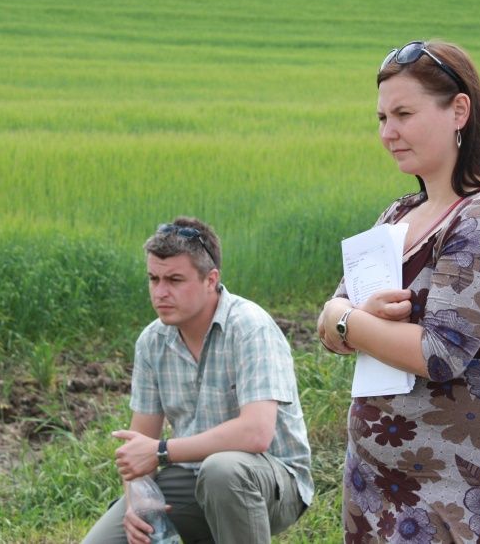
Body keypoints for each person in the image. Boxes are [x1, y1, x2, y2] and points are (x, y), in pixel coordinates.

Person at [317, 40, 480, 543]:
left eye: (403, 114)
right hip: (372, 476)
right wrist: (344, 319)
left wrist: (351, 320)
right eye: (381, 118)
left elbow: (440, 353)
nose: (387, 132)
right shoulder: (397, 215)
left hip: (457, 479)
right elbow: (328, 330)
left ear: (459, 111)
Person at [82, 217, 313, 544]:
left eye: (175, 280)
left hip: (272, 482)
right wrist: (137, 500)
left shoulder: (249, 328)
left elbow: (256, 434)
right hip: (190, 478)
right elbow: (140, 445)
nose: (160, 292)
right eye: (153, 278)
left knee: (223, 471)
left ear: (211, 279)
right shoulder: (152, 341)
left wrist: (161, 451)